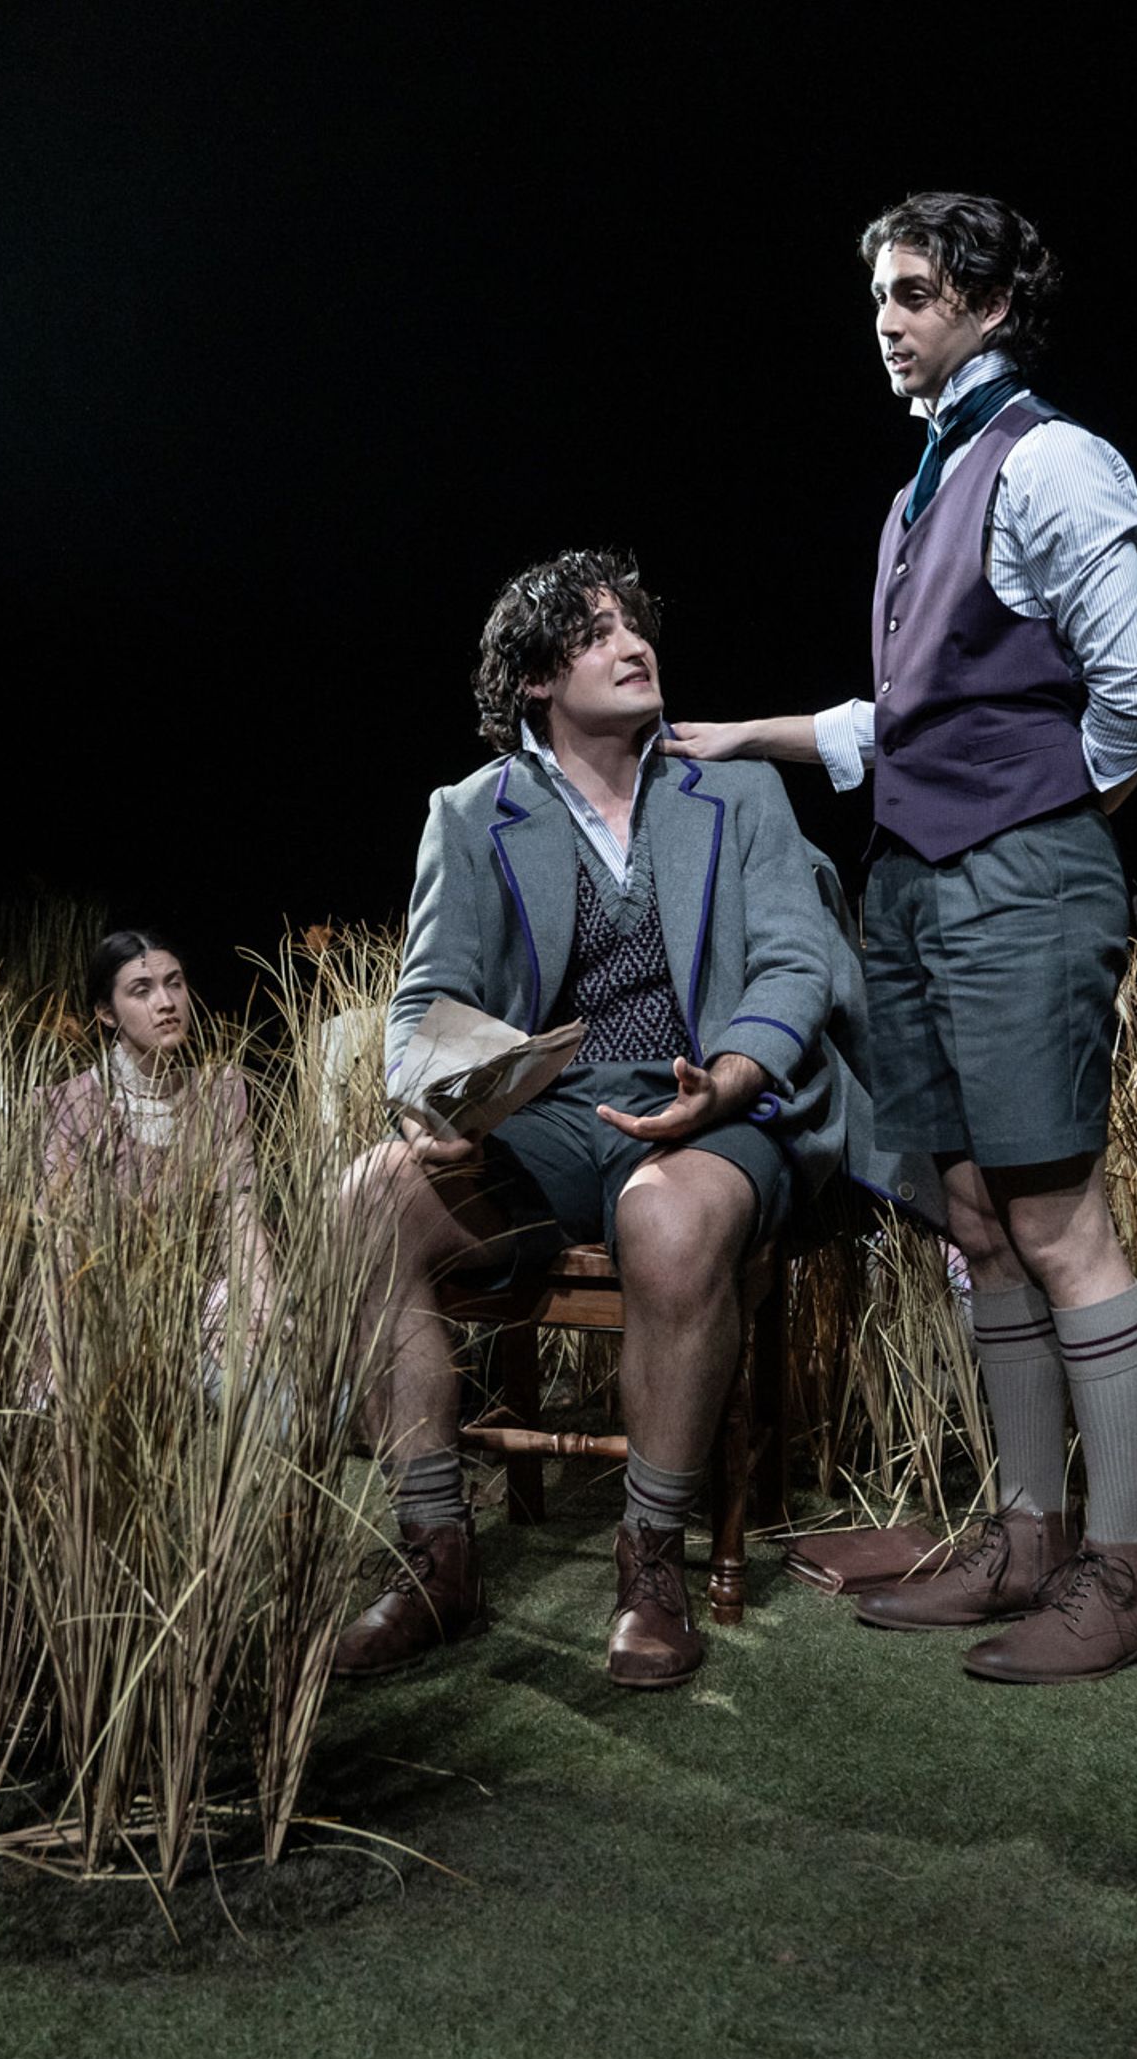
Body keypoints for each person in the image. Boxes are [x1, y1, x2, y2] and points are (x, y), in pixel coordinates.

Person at [671, 191, 1137, 1682]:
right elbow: (915, 714)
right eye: (880, 297)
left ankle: (1128, 1568)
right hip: (909, 881)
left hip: (1014, 885)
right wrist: (748, 737)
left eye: (912, 292)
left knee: (1056, 1220)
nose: (888, 320)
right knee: (971, 1215)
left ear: (986, 299)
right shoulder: (923, 492)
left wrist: (1035, 823)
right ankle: (1030, 1541)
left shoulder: (1055, 460)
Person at [335, 551, 863, 1690]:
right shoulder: (473, 815)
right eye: (595, 632)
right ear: (534, 678)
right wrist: (445, 1105)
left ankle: (650, 1558)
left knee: (669, 1217)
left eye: (637, 625)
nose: (633, 645)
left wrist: (724, 1080)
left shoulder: (734, 789)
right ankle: (434, 1554)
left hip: (721, 1097)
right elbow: (426, 1001)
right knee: (371, 1196)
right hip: (547, 1114)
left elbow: (793, 963)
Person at [40, 927, 277, 1359]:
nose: (166, 1003)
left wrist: (263, 1311)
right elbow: (65, 1248)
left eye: (175, 983)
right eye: (141, 990)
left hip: (205, 1305)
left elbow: (240, 1219)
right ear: (107, 1013)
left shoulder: (220, 1092)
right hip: (107, 1312)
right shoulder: (68, 1107)